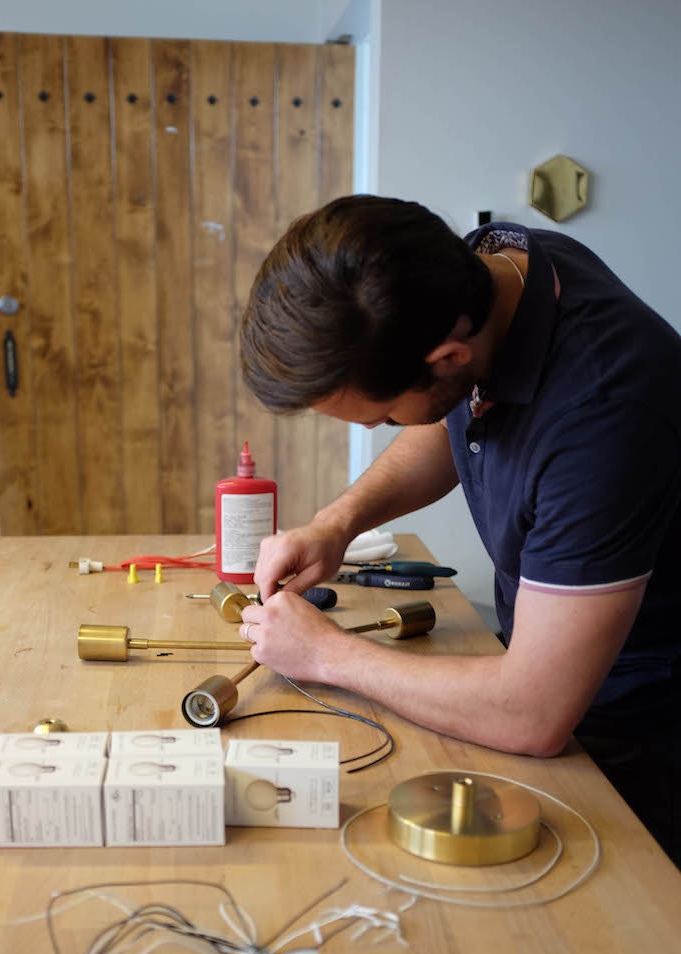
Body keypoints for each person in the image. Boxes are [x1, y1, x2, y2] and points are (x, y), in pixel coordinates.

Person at [237, 194, 681, 864]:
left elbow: (532, 713)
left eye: (384, 417)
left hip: (637, 722)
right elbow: (448, 421)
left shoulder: (607, 413)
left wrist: (326, 655)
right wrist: (336, 524)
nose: (387, 430)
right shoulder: (492, 273)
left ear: (447, 355)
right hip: (550, 672)